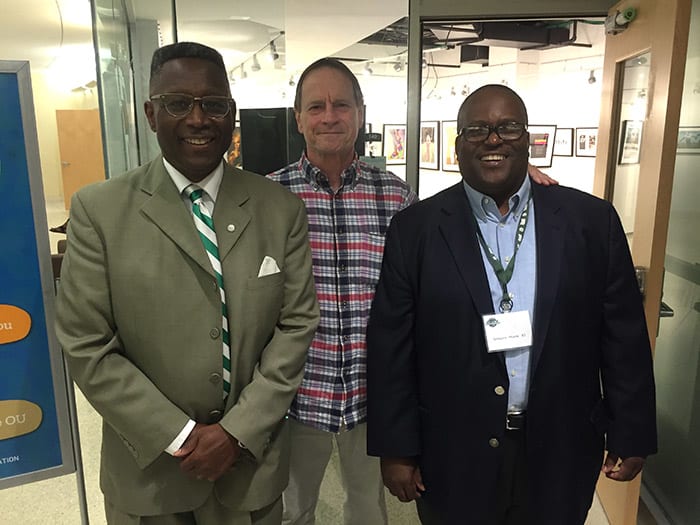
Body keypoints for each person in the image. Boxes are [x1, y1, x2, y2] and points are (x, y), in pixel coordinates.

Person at [366, 84, 657, 524]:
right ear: (458, 144)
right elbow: (392, 347)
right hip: (453, 451)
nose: (493, 139)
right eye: (478, 129)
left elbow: (623, 338)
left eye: (508, 127)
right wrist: (396, 447)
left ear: (527, 138)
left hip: (561, 445)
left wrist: (631, 430)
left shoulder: (591, 222)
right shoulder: (416, 229)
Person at [55, 42, 320, 525]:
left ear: (231, 114)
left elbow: (296, 325)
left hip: (250, 471)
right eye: (178, 103)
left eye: (213, 104)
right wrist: (179, 435)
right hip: (150, 475)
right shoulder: (99, 211)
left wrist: (236, 432)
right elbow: (87, 345)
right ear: (151, 114)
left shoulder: (279, 210)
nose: (198, 119)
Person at [267, 57, 417, 525]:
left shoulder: (395, 196)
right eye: (316, 106)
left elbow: (417, 296)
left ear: (360, 112)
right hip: (296, 394)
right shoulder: (268, 198)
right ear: (298, 119)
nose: (329, 115)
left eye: (341, 104)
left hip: (373, 396)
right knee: (291, 512)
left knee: (369, 511)